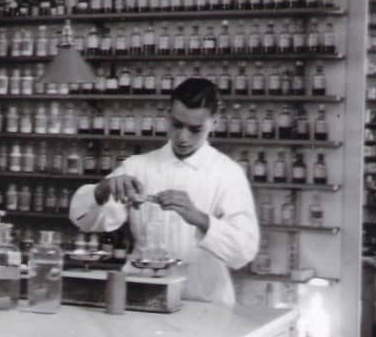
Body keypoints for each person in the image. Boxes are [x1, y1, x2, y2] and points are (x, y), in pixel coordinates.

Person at [69, 78, 259, 305]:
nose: (183, 137)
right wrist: (102, 189)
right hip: (142, 294)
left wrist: (199, 218)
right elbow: (84, 222)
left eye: (195, 129)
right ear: (167, 116)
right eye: (177, 125)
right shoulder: (138, 166)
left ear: (214, 123)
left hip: (203, 301)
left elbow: (244, 251)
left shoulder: (227, 173)